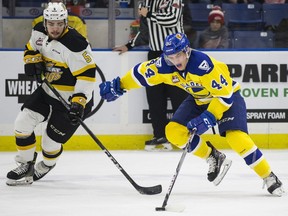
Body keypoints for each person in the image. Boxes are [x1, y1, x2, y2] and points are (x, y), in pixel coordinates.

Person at [99, 32, 284, 196]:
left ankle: (268, 176)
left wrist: (210, 116)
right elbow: (141, 74)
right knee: (173, 132)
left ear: (187, 51)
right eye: (170, 57)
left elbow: (225, 96)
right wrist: (119, 86)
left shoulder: (203, 65)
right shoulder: (165, 65)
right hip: (198, 99)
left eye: (178, 55)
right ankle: (213, 157)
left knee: (236, 138)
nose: (175, 60)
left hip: (226, 98)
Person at [6, 2, 96, 186]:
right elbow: (30, 48)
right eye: (51, 23)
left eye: (59, 24)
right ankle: (25, 163)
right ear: (45, 21)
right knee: (21, 124)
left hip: (70, 101)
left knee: (49, 143)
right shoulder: (39, 29)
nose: (55, 28)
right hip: (48, 91)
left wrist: (78, 104)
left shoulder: (76, 44)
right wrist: (31, 60)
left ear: (66, 22)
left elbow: (87, 77)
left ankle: (46, 165)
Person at [113, 0, 189, 151]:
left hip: (176, 54)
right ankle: (160, 135)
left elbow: (172, 19)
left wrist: (149, 14)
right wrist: (129, 45)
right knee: (155, 98)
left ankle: (183, 137)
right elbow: (144, 30)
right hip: (154, 54)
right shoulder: (146, 2)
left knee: (179, 97)